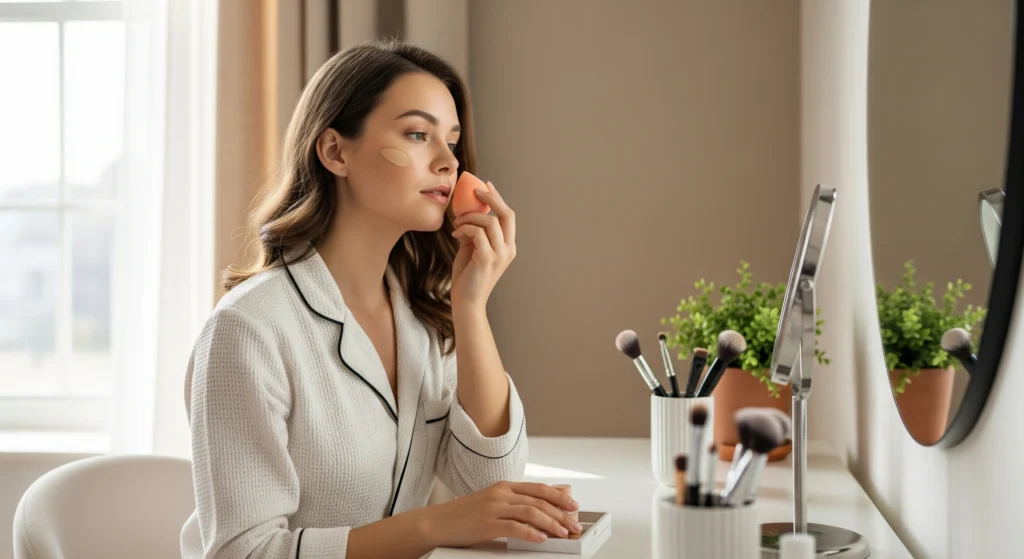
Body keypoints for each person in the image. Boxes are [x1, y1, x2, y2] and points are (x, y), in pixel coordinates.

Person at [179, 38, 581, 559]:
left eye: (452, 143)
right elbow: (243, 552)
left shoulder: (423, 317)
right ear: (334, 152)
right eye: (418, 134)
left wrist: (471, 309)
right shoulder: (247, 329)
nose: (448, 163)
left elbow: (491, 483)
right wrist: (432, 526)